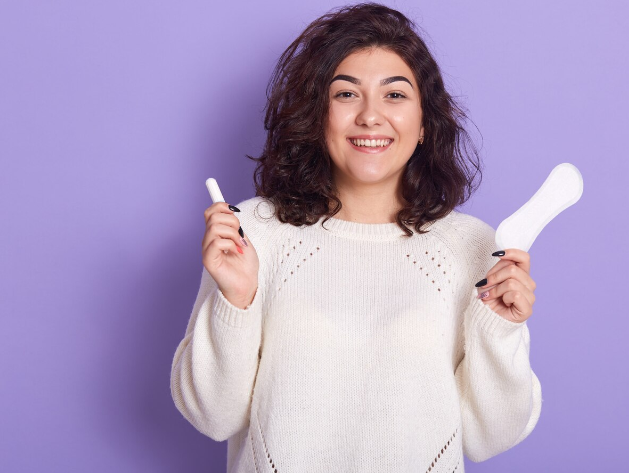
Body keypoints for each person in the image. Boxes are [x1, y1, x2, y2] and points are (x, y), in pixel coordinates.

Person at [170, 3, 542, 472]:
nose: (370, 116)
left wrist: (500, 330)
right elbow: (212, 416)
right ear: (317, 114)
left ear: (425, 123)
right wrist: (236, 300)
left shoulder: (471, 246)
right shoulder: (253, 233)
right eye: (346, 94)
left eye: (395, 95)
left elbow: (491, 437)